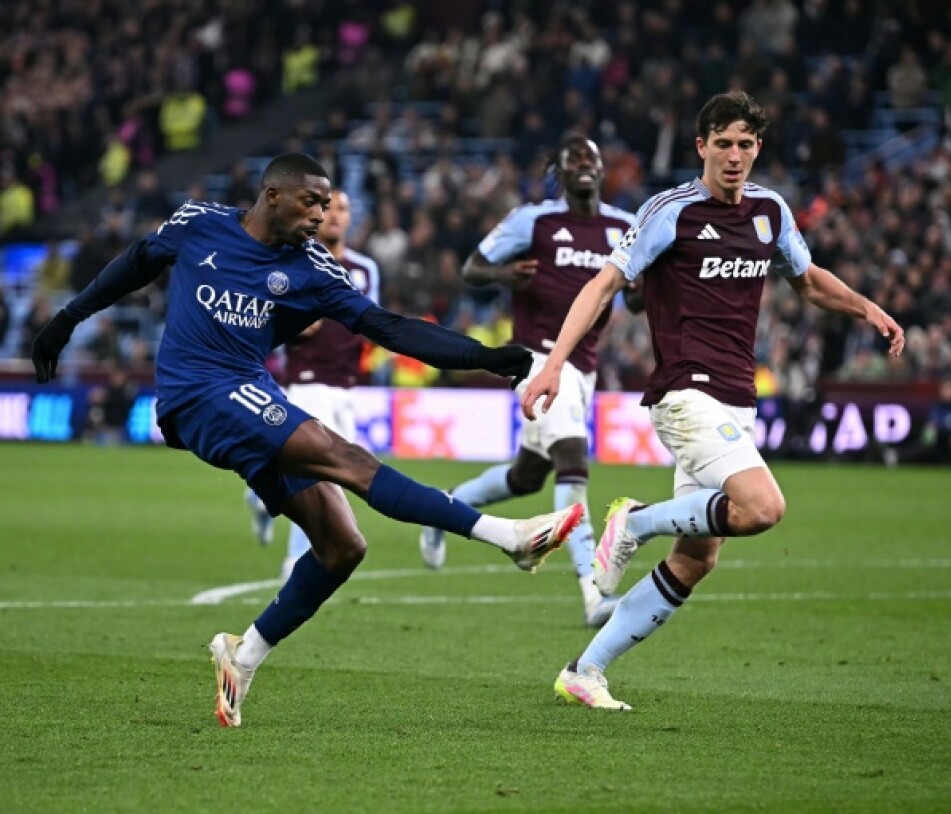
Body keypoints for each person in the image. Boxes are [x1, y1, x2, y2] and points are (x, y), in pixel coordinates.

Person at [31, 153, 585, 727]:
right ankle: (508, 537)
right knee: (344, 457)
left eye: (327, 204)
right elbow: (137, 261)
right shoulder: (200, 223)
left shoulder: (314, 268)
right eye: (312, 201)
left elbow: (387, 327)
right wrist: (68, 317)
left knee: (343, 546)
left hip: (248, 390)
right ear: (273, 196)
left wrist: (484, 357)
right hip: (195, 393)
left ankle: (243, 655)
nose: (322, 214)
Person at [521, 93, 904, 709]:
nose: (734, 156)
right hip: (685, 392)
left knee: (696, 559)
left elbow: (807, 280)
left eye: (745, 144)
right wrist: (554, 365)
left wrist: (868, 309)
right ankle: (634, 521)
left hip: (736, 400)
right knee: (762, 507)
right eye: (722, 143)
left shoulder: (770, 211)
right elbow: (604, 284)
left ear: (758, 148)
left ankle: (585, 670)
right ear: (701, 146)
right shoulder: (671, 211)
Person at [418, 135, 635, 628]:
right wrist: (504, 274)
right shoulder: (533, 221)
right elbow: (473, 267)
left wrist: (643, 291)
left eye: (591, 157)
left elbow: (638, 299)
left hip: (585, 365)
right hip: (538, 359)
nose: (584, 164)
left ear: (603, 169)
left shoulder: (624, 227)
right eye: (573, 159)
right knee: (572, 461)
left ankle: (443, 509)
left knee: (527, 476)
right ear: (560, 173)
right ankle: (594, 592)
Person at [243, 190, 382, 581]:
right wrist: (293, 323)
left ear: (351, 217)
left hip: (346, 387)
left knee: (330, 474)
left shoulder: (365, 269)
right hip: (306, 384)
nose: (335, 216)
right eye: (328, 208)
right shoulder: (293, 261)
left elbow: (372, 320)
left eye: (343, 209)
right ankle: (296, 563)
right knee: (319, 474)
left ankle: (259, 498)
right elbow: (264, 312)